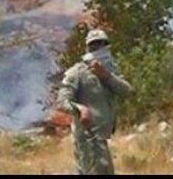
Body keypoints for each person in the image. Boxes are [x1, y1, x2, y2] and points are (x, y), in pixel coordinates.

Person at [57, 28, 134, 175]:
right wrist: (79, 109)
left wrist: (106, 75)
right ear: (87, 48)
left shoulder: (109, 70)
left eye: (100, 44)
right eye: (93, 45)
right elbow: (62, 101)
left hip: (101, 137)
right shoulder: (77, 72)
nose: (98, 47)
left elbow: (127, 91)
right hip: (87, 137)